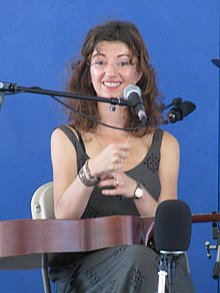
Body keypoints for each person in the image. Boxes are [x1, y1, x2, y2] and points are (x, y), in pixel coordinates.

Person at [49, 20, 194, 293]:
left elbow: (167, 234)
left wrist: (135, 190)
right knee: (138, 261)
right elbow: (63, 217)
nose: (110, 72)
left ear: (138, 73)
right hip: (86, 272)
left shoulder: (166, 145)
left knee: (154, 265)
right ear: (88, 72)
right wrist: (91, 170)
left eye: (123, 62)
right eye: (100, 62)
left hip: (150, 263)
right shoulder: (66, 138)